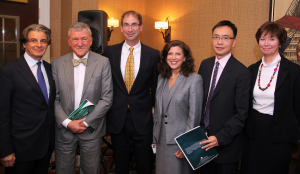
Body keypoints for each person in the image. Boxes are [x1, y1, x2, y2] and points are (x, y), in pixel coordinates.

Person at [103, 10, 160, 174]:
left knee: (145, 164)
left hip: (143, 119)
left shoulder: (153, 55)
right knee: (120, 165)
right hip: (117, 118)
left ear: (141, 27)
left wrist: (156, 120)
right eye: (126, 25)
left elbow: (156, 89)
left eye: (134, 24)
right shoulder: (109, 53)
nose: (130, 29)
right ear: (121, 28)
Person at [52, 22, 113, 174]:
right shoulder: (57, 64)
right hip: (64, 130)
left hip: (91, 129)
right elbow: (54, 98)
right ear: (69, 41)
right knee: (63, 170)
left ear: (91, 41)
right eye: (75, 39)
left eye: (84, 39)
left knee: (91, 170)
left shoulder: (103, 62)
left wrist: (86, 122)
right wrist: (67, 123)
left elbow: (107, 97)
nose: (80, 43)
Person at [242, 21, 300, 174]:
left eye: (272, 39)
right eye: (262, 39)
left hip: (280, 135)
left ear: (280, 42)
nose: (266, 43)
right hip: (254, 133)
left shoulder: (293, 71)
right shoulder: (252, 70)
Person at [0, 24, 55, 174]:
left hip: (45, 146)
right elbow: (2, 114)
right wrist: (5, 150)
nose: (39, 45)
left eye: (43, 41)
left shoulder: (50, 69)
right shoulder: (9, 71)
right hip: (20, 149)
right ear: (24, 44)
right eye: (33, 40)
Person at [198, 20, 251, 174]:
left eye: (226, 38)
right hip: (203, 142)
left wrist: (219, 138)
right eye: (216, 37)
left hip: (226, 146)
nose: (220, 42)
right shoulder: (205, 65)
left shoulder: (242, 72)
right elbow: (201, 101)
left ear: (234, 42)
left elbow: (242, 114)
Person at [153, 40, 203, 174]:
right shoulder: (161, 78)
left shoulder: (194, 79)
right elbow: (157, 111)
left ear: (185, 57)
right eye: (170, 54)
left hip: (180, 142)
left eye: (178, 54)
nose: (173, 57)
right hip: (161, 140)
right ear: (165, 57)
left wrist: (187, 144)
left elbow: (194, 116)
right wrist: (155, 137)